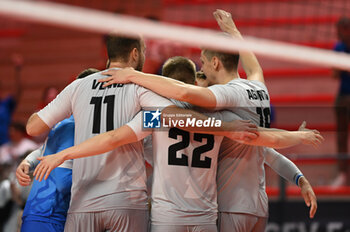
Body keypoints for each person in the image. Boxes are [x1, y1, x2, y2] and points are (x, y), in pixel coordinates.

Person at [99, 9, 319, 231]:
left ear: (215, 63)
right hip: (249, 208)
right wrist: (233, 31)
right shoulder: (251, 94)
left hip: (215, 209)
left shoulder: (188, 113)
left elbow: (183, 97)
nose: (201, 68)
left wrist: (133, 75)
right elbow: (264, 142)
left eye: (203, 63)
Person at [25, 35, 257, 232]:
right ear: (135, 54)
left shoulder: (78, 87)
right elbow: (176, 117)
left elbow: (33, 127)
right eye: (144, 51)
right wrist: (226, 127)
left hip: (83, 201)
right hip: (127, 201)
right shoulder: (140, 89)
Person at [15, 68, 99, 232]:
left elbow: (48, 151)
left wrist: (28, 161)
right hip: (47, 215)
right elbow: (59, 174)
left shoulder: (71, 121)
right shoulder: (71, 124)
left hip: (50, 214)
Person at [332, 16, 350, 186]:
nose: (337, 33)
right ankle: (342, 173)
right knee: (341, 136)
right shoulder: (338, 48)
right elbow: (334, 74)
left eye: (340, 30)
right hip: (343, 96)